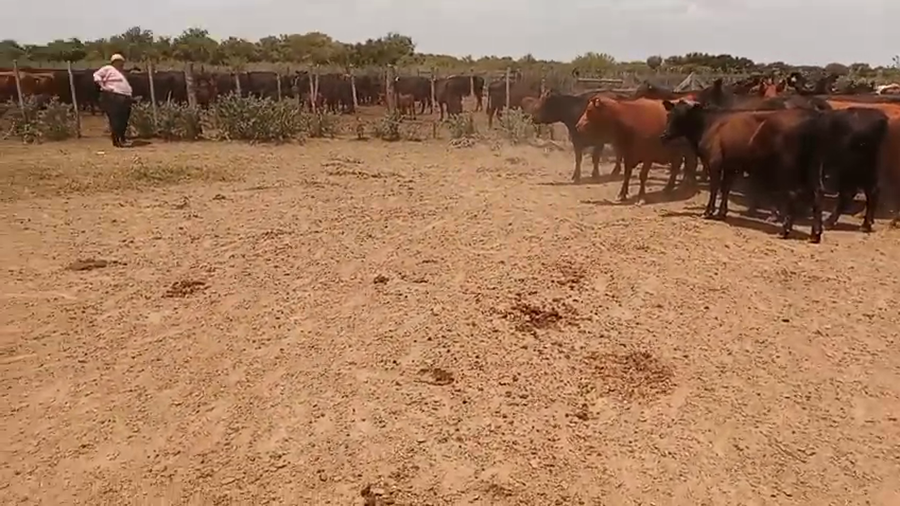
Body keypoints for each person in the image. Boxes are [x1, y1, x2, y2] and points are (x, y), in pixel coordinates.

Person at [93, 54, 133, 147]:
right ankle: (116, 140)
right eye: (119, 62)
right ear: (114, 62)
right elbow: (96, 75)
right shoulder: (108, 68)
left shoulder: (120, 72)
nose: (121, 64)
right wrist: (103, 86)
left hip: (124, 97)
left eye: (122, 62)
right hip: (114, 96)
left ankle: (122, 138)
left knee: (124, 119)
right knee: (116, 118)